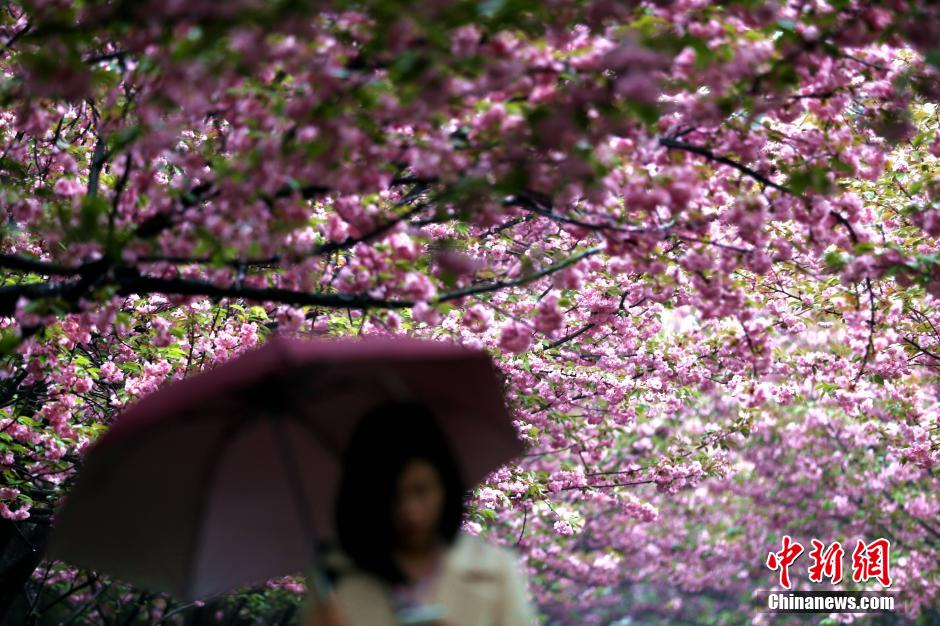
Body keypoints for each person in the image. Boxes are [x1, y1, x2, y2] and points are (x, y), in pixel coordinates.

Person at [301, 399, 538, 626]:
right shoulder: (333, 580)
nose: (409, 511)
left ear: (446, 485)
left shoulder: (496, 572)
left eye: (421, 491)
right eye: (390, 495)